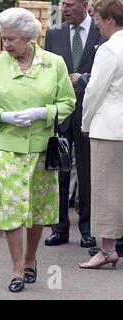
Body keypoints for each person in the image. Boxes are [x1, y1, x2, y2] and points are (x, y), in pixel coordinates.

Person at [0, 7, 75, 293]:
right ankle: (17, 268)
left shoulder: (54, 63)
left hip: (42, 147)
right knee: (11, 206)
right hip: (6, 146)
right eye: (4, 38)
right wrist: (4, 117)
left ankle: (31, 259)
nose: (6, 44)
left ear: (29, 37)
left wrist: (41, 113)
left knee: (34, 208)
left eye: (11, 39)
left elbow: (67, 103)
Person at [44, 0, 107, 248]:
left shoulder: (101, 34)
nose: (64, 9)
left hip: (90, 114)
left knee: (87, 171)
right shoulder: (53, 35)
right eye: (62, 5)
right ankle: (59, 228)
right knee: (59, 170)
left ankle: (88, 229)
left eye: (70, 4)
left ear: (84, 5)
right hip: (61, 115)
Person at [79, 0, 123, 269]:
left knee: (107, 190)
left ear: (108, 19)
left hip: (109, 128)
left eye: (97, 20)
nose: (96, 25)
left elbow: (94, 91)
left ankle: (107, 250)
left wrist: (85, 123)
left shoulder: (109, 49)